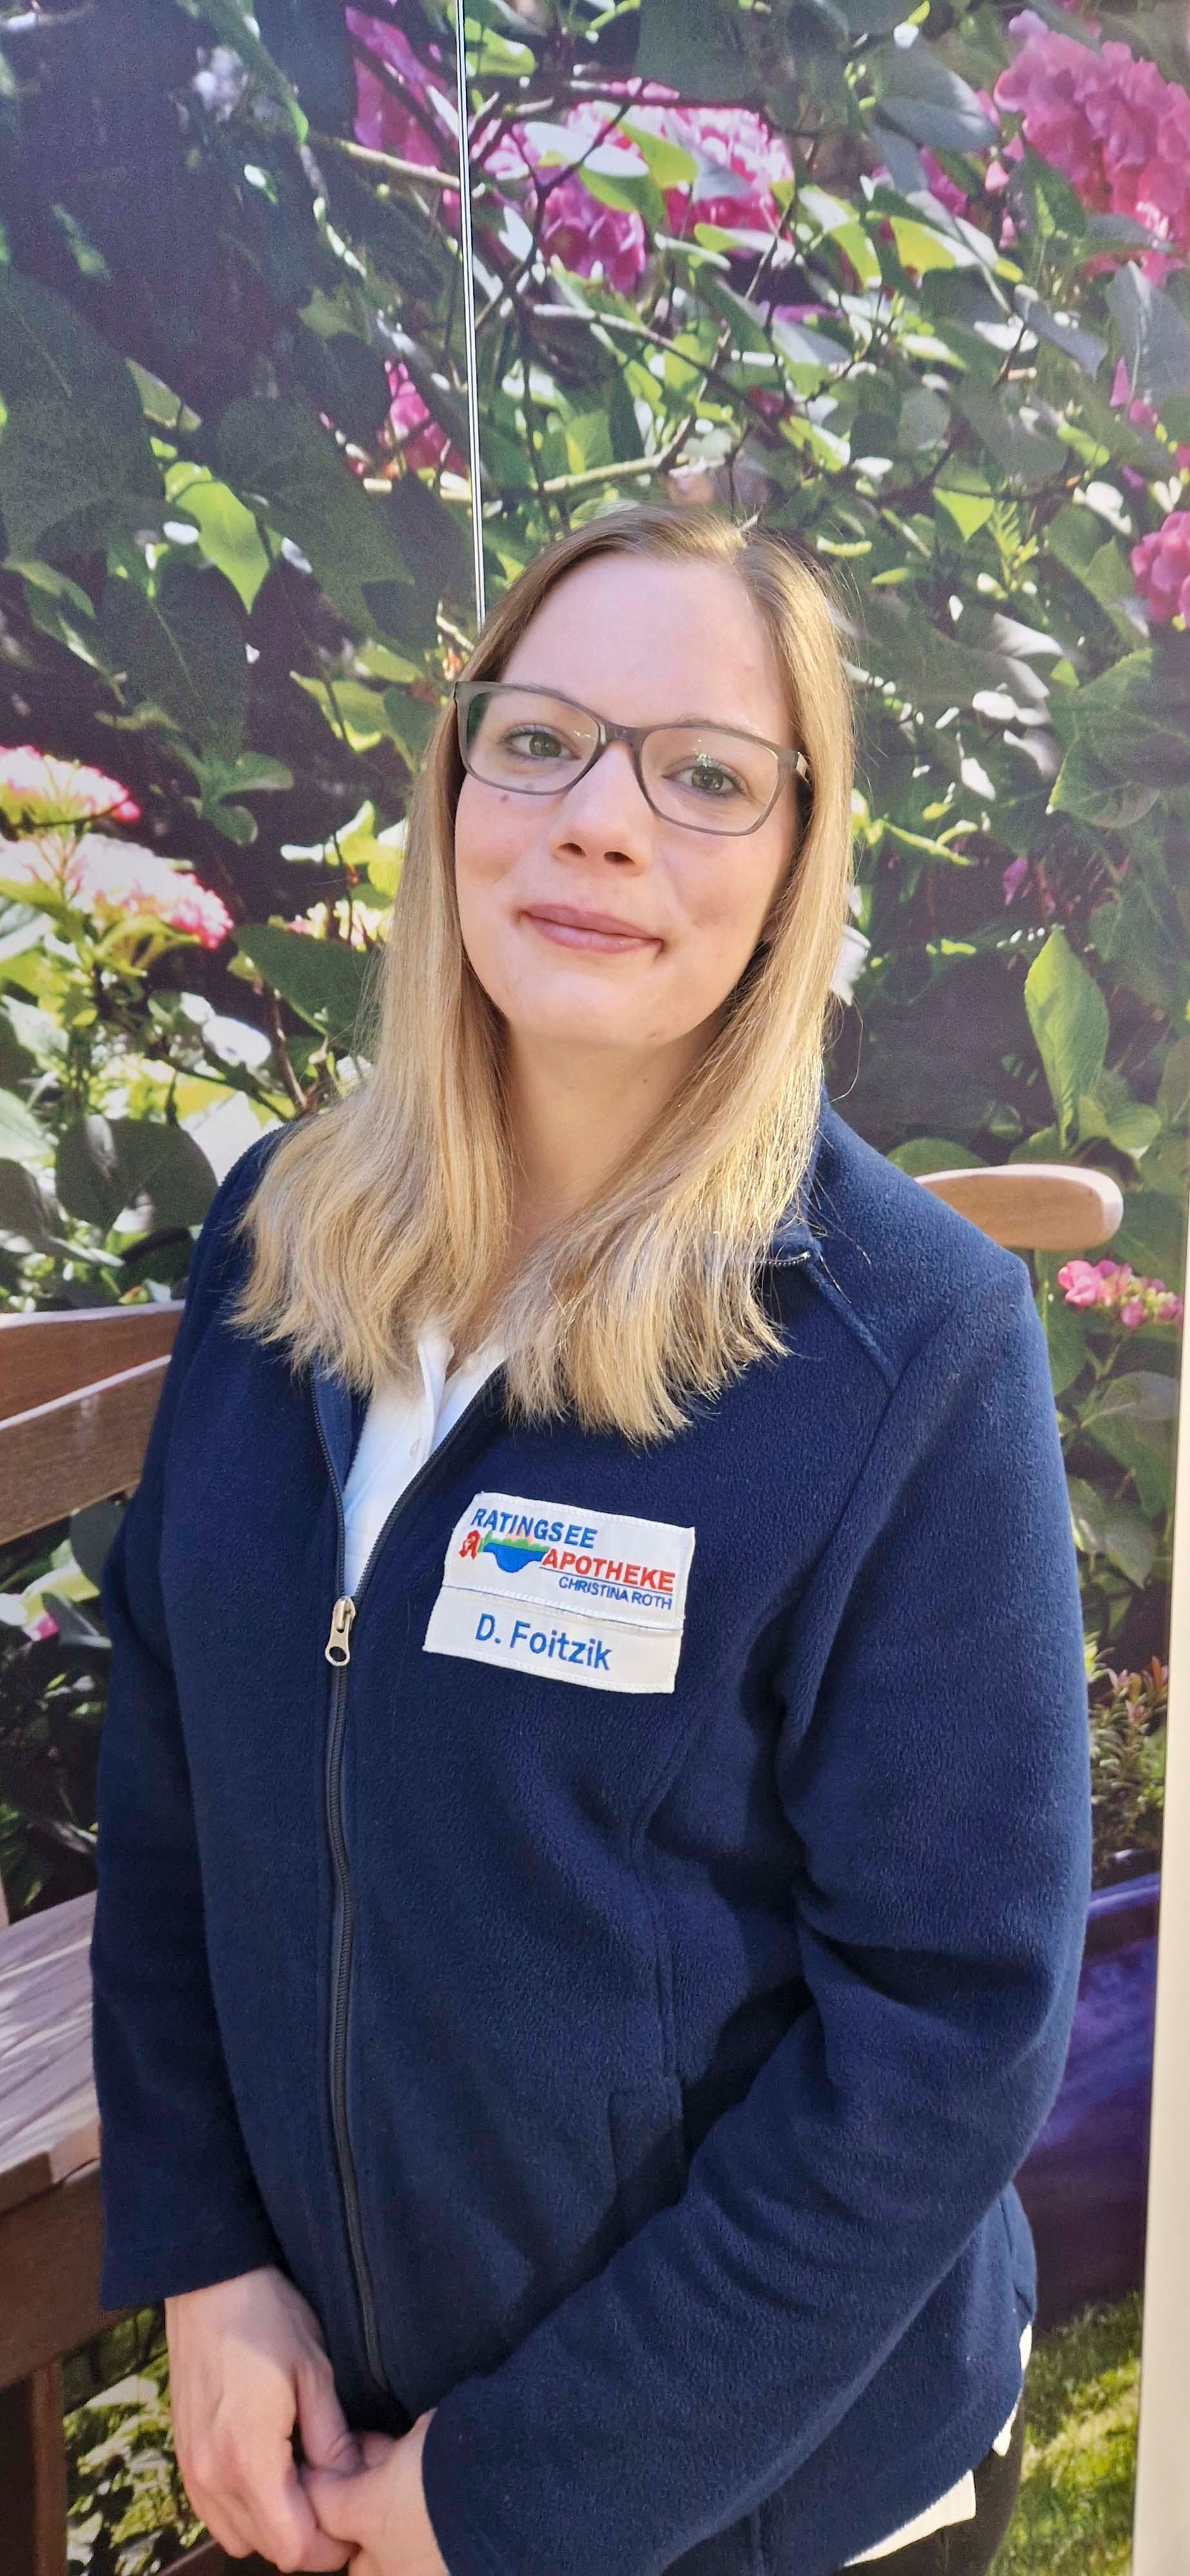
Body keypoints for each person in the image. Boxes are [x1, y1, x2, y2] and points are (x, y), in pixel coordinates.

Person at [90, 498, 1092, 2576]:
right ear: (455, 784)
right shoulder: (284, 1241)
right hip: (354, 2435)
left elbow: (945, 2033)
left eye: (705, 774)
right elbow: (177, 1772)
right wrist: (211, 2265)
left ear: (796, 860)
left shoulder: (910, 1352)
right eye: (537, 740)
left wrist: (520, 2493)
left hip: (765, 2506)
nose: (602, 823)